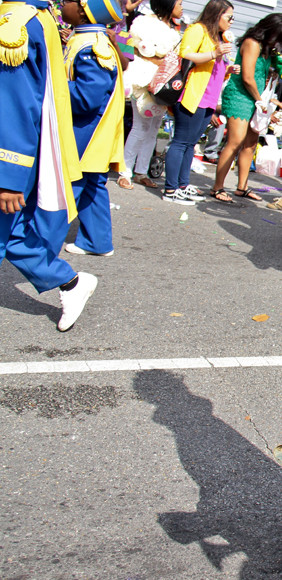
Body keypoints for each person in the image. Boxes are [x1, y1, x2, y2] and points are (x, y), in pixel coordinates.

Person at [0, 0, 104, 332]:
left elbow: (16, 102)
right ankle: (71, 282)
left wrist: (9, 174)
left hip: (16, 151)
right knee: (15, 236)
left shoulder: (16, 21)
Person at [59, 0, 127, 259]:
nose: (62, 4)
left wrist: (54, 84)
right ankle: (97, 241)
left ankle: (39, 248)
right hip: (94, 129)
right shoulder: (87, 39)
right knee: (92, 185)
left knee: (68, 188)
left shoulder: (92, 45)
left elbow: (87, 98)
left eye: (68, 1)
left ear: (83, 10)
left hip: (87, 131)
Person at [211, 13, 282, 203]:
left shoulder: (266, 49)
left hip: (257, 98)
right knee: (235, 142)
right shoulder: (252, 43)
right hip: (240, 95)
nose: (279, 44)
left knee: (250, 144)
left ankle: (242, 187)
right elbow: (247, 77)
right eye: (278, 38)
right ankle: (217, 187)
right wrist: (259, 100)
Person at [162, 0, 234, 205]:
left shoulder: (217, 37)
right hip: (191, 94)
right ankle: (170, 189)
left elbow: (213, 71)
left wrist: (227, 70)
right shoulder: (197, 29)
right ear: (217, 14)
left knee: (191, 144)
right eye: (229, 17)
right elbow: (185, 54)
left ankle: (182, 185)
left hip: (208, 98)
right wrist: (214, 53)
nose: (231, 22)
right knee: (181, 142)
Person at [118, 0, 182, 191]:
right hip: (143, 80)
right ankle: (125, 171)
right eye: (179, 3)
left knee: (154, 128)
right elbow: (133, 47)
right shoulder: (144, 22)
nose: (182, 7)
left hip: (162, 84)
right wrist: (159, 60)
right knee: (140, 127)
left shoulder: (173, 30)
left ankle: (141, 172)